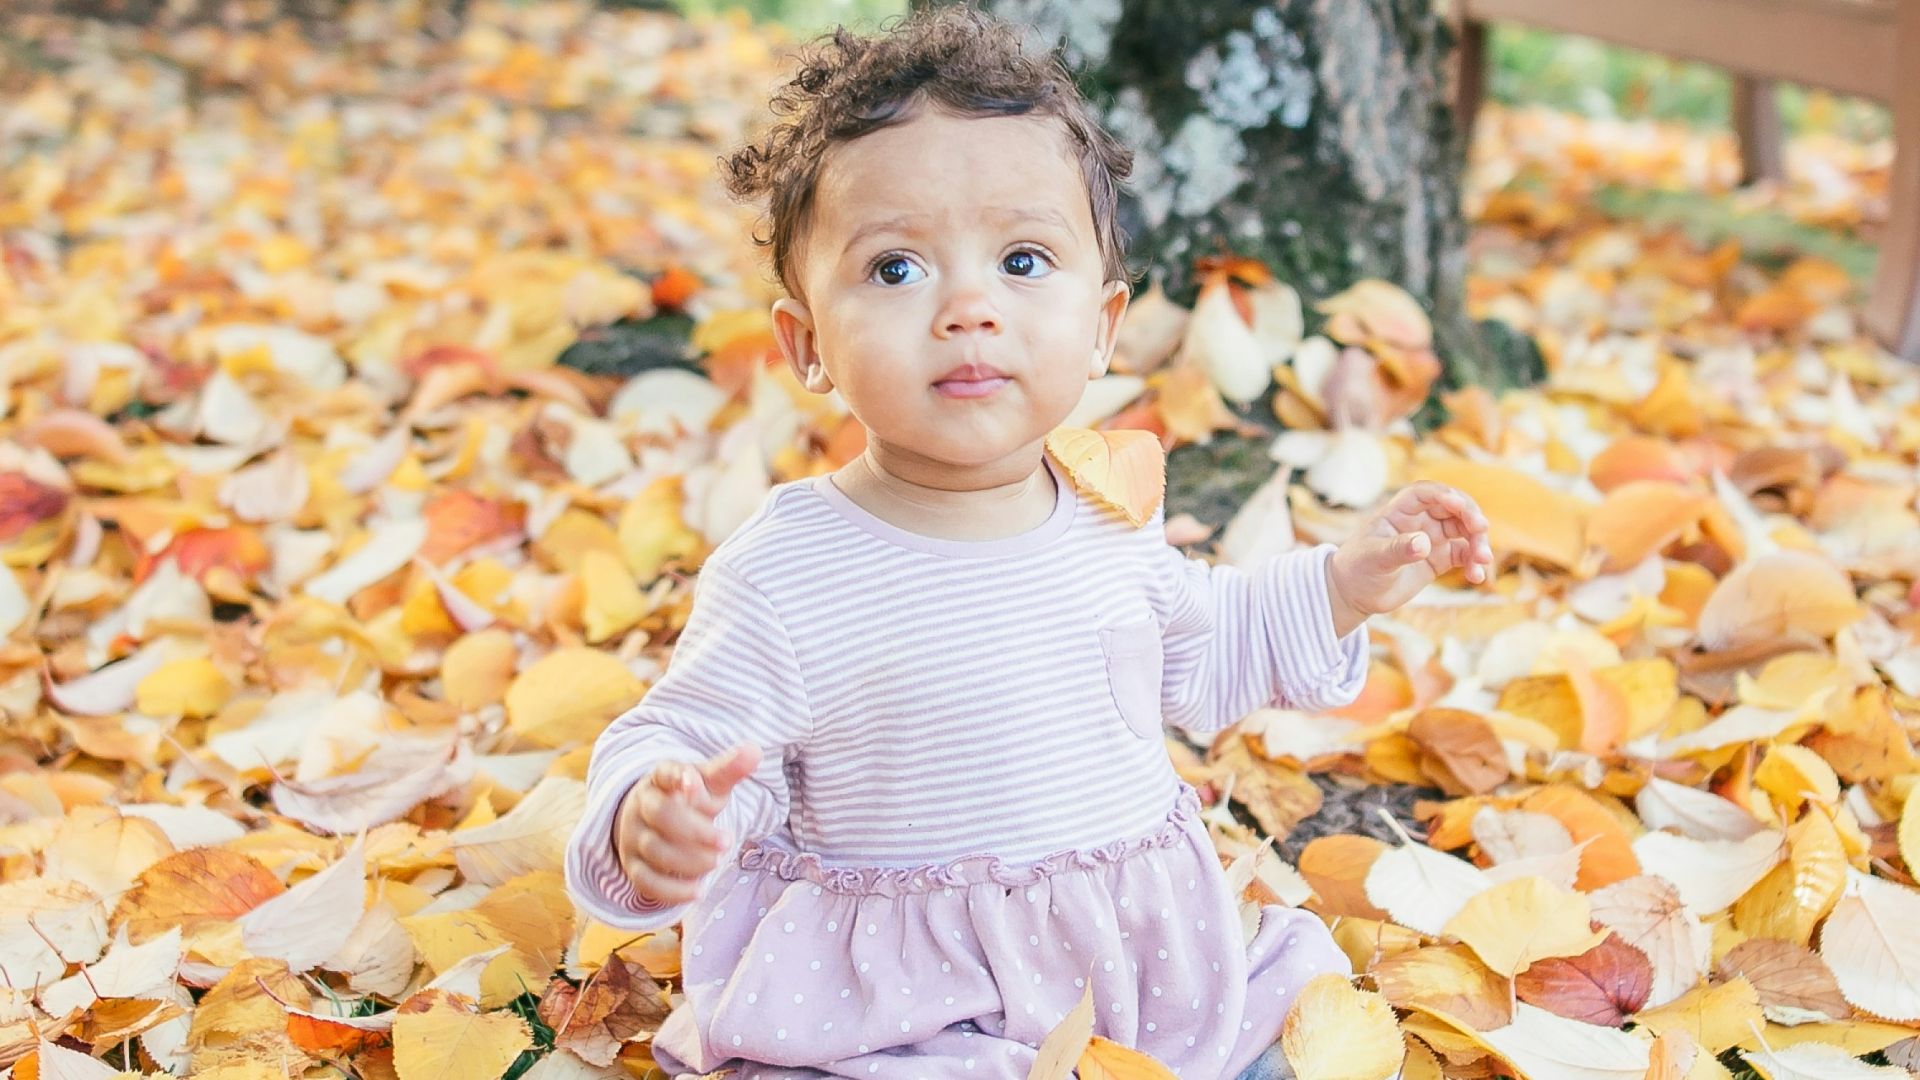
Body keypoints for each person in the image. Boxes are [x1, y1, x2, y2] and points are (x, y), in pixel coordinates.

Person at [564, 7, 1493, 1078]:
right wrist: (661, 812)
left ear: (1103, 325)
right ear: (807, 343)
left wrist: (1344, 583)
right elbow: (688, 731)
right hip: (906, 1003)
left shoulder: (1102, 505)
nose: (968, 307)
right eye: (897, 270)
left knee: (1286, 1030)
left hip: (1130, 970)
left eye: (1020, 259)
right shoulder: (789, 569)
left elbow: (1201, 643)